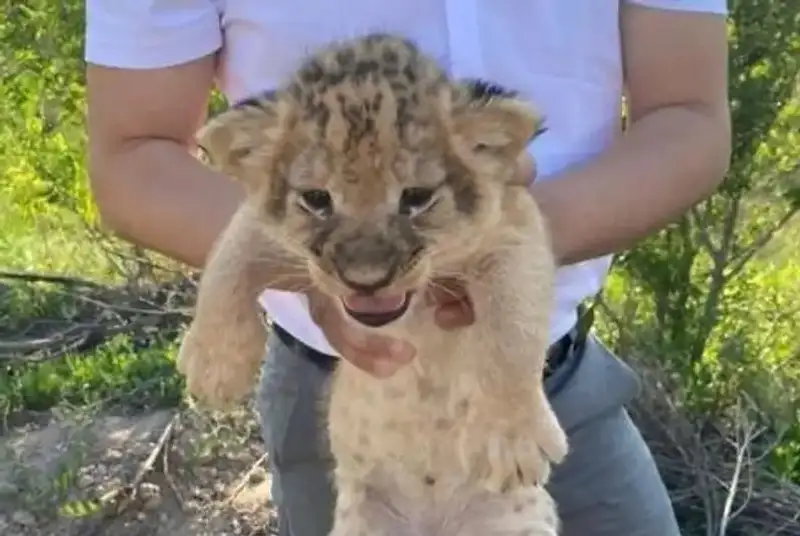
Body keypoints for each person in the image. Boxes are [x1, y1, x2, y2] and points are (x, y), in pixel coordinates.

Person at [84, 1, 731, 534]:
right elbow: (135, 153)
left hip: (545, 390)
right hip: (342, 400)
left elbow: (688, 115)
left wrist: (504, 247)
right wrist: (299, 269)